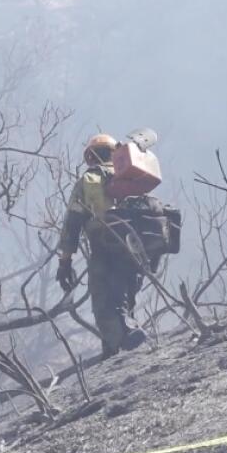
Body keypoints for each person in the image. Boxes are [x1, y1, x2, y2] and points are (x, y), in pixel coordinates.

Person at [56, 134, 149, 358]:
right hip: (137, 247)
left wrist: (65, 261)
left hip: (104, 245)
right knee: (125, 294)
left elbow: (73, 221)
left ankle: (118, 343)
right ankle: (120, 338)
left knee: (103, 299)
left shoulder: (90, 180)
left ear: (91, 156)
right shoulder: (130, 175)